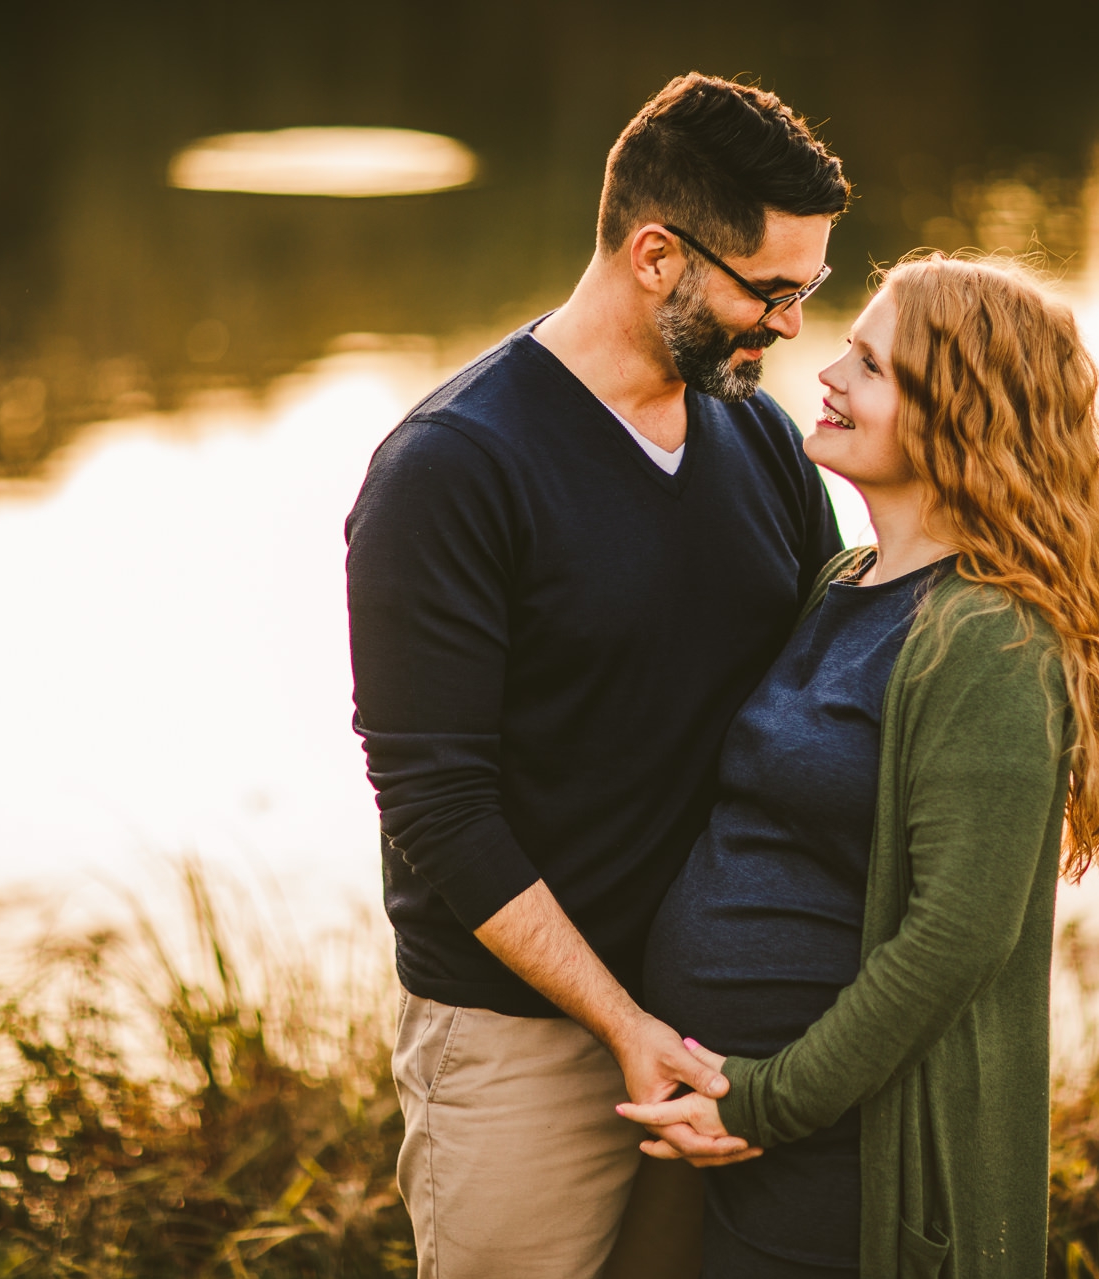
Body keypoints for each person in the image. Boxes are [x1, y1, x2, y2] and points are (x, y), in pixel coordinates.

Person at [345, 73, 849, 1279]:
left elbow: (837, 670)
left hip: (722, 1028)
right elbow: (437, 807)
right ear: (658, 255)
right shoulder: (451, 469)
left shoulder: (760, 436)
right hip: (519, 1038)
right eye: (771, 292)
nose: (790, 329)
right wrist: (620, 1022)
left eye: (810, 293)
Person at [621, 253, 1099, 1279]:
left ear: (959, 412)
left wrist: (770, 1102)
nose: (827, 374)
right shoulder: (845, 582)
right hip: (729, 1126)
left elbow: (956, 935)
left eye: (869, 364)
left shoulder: (990, 637)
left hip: (846, 1157)